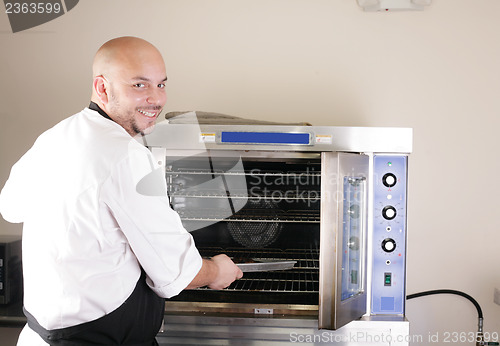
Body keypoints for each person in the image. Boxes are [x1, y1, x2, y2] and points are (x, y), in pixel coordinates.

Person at [0, 36, 243, 346]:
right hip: (96, 339)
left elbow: (10, 206)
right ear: (102, 88)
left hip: (41, 336)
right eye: (139, 86)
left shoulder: (56, 136)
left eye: (161, 85)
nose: (156, 99)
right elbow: (175, 273)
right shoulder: (126, 154)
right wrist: (216, 270)